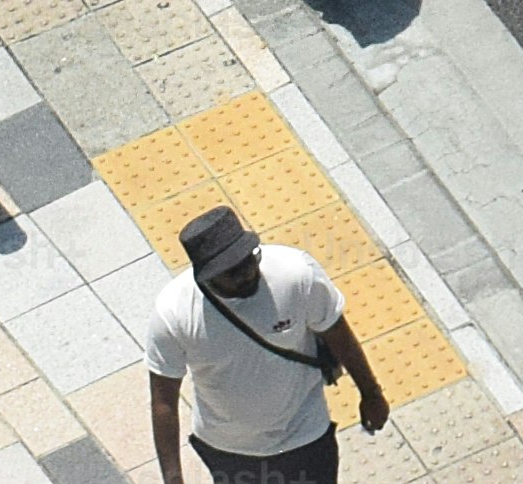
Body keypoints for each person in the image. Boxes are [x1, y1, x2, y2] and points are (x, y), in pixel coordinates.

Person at [145, 203, 389, 484]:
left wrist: (371, 393)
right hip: (229, 450)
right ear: (206, 276)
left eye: (250, 260)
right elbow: (163, 399)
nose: (247, 274)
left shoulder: (296, 274)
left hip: (305, 435)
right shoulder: (174, 314)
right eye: (232, 272)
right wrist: (173, 478)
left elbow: (338, 334)